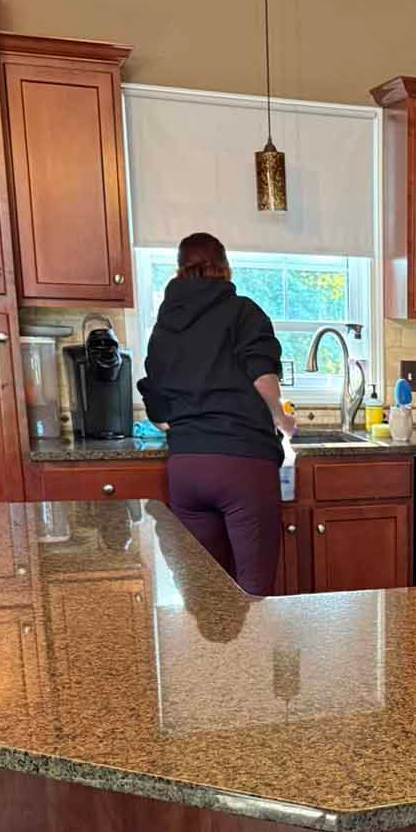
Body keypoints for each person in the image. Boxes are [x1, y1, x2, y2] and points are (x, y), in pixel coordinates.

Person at [138, 231, 293, 595]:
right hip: (243, 464)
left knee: (204, 590)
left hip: (187, 467)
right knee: (253, 589)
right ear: (226, 269)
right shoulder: (243, 311)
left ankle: (209, 655)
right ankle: (252, 654)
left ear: (179, 272)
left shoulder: (165, 325)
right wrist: (280, 418)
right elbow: (261, 376)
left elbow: (158, 410)